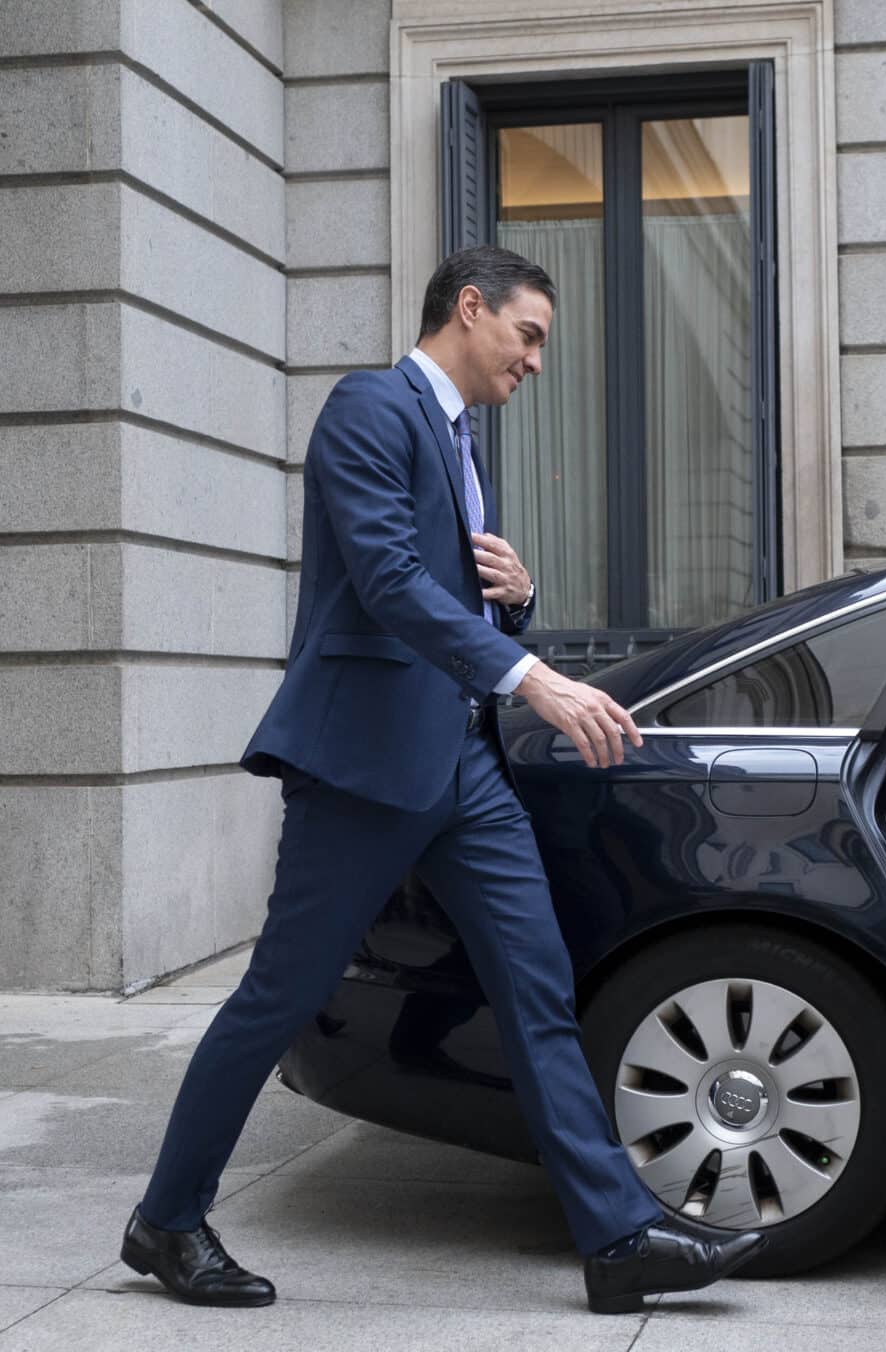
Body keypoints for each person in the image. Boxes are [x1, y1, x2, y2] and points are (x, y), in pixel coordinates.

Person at [120, 246, 765, 1316]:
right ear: (469, 309)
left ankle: (616, 1240)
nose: (538, 361)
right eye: (530, 334)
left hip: (461, 762)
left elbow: (452, 599)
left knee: (537, 985)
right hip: (365, 765)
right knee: (279, 996)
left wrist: (514, 600)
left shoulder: (464, 445)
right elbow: (382, 579)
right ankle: (167, 1219)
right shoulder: (369, 408)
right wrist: (534, 675)